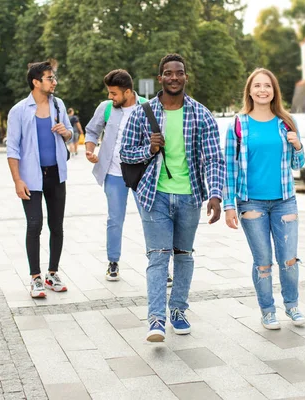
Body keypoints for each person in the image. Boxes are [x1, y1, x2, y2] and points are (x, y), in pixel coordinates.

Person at [120, 53, 225, 342]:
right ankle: (156, 319)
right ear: (160, 78)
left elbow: (214, 158)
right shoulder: (143, 113)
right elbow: (124, 153)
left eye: (179, 73)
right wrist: (148, 150)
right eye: (168, 73)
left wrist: (215, 195)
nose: (174, 77)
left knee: (184, 256)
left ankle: (178, 310)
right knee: (157, 257)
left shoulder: (200, 113)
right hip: (155, 196)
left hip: (190, 197)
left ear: (185, 77)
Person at [223, 68, 305, 330]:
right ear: (249, 90)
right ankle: (268, 311)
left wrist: (298, 146)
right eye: (257, 86)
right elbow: (229, 168)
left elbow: (298, 165)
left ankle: (292, 306)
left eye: (267, 86)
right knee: (263, 262)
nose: (262, 90)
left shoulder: (287, 122)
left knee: (289, 259)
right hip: (251, 203)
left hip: (285, 201)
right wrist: (228, 205)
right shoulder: (238, 125)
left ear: (274, 91)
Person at [6, 61, 73, 298]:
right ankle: (35, 277)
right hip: (31, 177)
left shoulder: (58, 105)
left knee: (57, 225)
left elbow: (68, 134)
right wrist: (17, 180)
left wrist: (66, 132)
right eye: (49, 78)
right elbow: (12, 149)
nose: (54, 82)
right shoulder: (19, 111)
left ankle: (52, 273)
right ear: (36, 82)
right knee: (34, 225)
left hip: (56, 173)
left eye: (54, 78)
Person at [84, 69, 157, 282]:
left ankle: (158, 265)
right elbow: (92, 130)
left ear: (127, 91)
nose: (110, 97)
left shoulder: (147, 107)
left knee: (150, 219)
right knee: (115, 219)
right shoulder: (106, 108)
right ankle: (113, 262)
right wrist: (90, 150)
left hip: (141, 173)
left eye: (114, 93)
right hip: (113, 173)